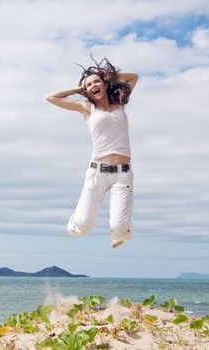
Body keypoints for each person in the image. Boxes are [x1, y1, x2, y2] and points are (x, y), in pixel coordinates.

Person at [45, 58, 138, 248]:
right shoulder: (87, 108)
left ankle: (119, 234)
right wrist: (78, 89)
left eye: (96, 82)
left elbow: (134, 77)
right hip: (98, 172)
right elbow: (51, 97)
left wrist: (108, 77)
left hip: (123, 173)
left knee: (121, 227)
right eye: (89, 85)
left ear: (104, 85)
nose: (93, 85)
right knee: (82, 227)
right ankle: (76, 220)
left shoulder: (119, 102)